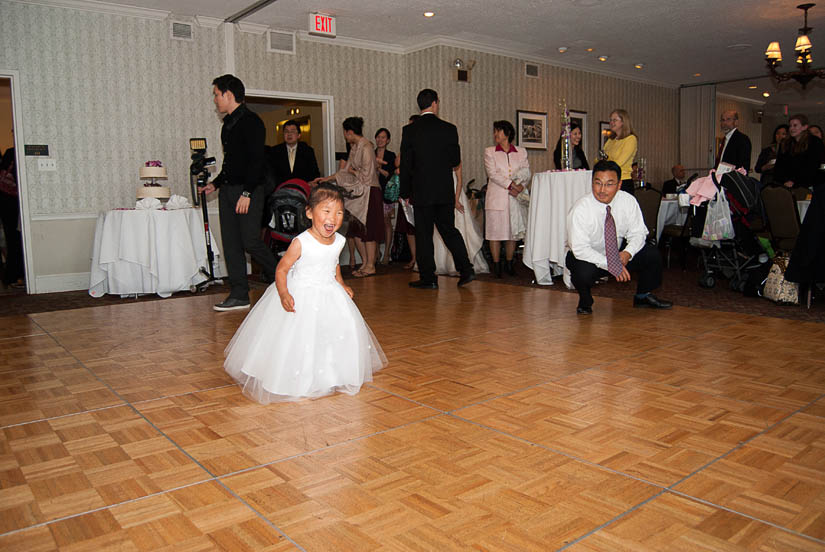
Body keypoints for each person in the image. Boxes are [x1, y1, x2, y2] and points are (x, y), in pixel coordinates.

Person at [224, 183, 387, 403]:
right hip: (301, 293)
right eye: (326, 211)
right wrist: (283, 293)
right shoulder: (301, 242)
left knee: (333, 333)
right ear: (310, 213)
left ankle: (330, 374)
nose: (333, 218)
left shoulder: (339, 240)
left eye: (339, 213)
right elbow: (281, 269)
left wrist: (341, 283)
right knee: (301, 336)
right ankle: (297, 376)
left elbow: (334, 264)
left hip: (329, 293)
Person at [198, 75, 276, 312]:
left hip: (248, 190)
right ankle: (239, 294)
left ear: (228, 95)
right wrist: (216, 183)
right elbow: (230, 164)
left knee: (250, 240)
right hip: (229, 191)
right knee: (231, 243)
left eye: (216, 94)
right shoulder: (227, 125)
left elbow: (256, 162)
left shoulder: (253, 122)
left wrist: (247, 193)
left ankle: (284, 274)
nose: (215, 99)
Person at [566, 160, 673, 315]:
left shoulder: (628, 201)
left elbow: (638, 233)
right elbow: (580, 249)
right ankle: (585, 300)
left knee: (651, 254)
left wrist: (627, 253)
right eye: (598, 183)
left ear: (619, 184)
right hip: (588, 257)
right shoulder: (581, 209)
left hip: (618, 252)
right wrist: (611, 264)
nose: (602, 190)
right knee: (582, 272)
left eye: (609, 184)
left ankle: (643, 296)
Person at [400, 89, 475, 289]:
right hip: (443, 190)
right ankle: (466, 269)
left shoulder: (410, 131)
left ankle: (428, 278)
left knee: (424, 235)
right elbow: (455, 161)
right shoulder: (449, 128)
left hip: (422, 191)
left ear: (420, 105)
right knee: (449, 231)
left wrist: (405, 193)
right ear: (435, 103)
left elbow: (406, 165)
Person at [316, 117, 382, 277]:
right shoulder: (355, 147)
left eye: (345, 133)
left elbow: (366, 175)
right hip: (359, 194)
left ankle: (370, 265)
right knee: (357, 230)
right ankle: (365, 263)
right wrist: (327, 179)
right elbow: (345, 170)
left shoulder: (366, 146)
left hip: (370, 191)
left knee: (369, 231)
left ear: (350, 132)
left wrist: (352, 171)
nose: (345, 136)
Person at [484, 120, 529, 277]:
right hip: (496, 198)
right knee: (495, 233)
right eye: (494, 131)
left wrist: (521, 186)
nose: (495, 134)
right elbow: (493, 174)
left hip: (514, 199)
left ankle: (509, 264)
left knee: (512, 232)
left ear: (508, 133)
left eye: (499, 131)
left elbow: (525, 171)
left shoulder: (521, 152)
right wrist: (512, 185)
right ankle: (496, 266)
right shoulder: (490, 152)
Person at [773, 114, 825, 199]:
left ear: (804, 127)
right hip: (786, 186)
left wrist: (795, 182)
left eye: (795, 125)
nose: (791, 128)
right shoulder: (786, 143)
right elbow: (779, 166)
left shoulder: (814, 142)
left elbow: (812, 166)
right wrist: (783, 181)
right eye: (790, 126)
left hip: (808, 185)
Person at [395, 115, 419, 270]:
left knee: (421, 228)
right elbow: (397, 162)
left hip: (419, 192)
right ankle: (414, 257)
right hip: (407, 192)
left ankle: (422, 259)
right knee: (409, 229)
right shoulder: (407, 147)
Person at [267, 119, 320, 186]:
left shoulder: (307, 151)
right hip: (281, 190)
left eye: (292, 131)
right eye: (286, 131)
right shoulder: (274, 151)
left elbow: (314, 173)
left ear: (299, 135)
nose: (289, 134)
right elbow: (271, 174)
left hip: (302, 189)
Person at [0, 146, 24, 289]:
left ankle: (11, 276)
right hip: (12, 203)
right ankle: (14, 276)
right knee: (15, 240)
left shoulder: (10, 152)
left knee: (11, 240)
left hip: (5, 202)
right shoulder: (15, 152)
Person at [374, 128, 397, 264]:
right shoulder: (371, 153)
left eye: (383, 137)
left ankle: (387, 253)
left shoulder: (391, 155)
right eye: (378, 137)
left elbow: (389, 174)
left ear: (388, 140)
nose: (380, 140)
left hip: (386, 193)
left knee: (386, 222)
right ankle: (376, 252)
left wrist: (377, 168)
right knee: (375, 223)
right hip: (373, 191)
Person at [603, 109, 638, 195]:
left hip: (623, 181)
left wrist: (605, 163)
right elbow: (602, 157)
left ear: (623, 122)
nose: (611, 122)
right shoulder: (610, 140)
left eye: (614, 120)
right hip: (609, 180)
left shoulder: (631, 139)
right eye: (610, 120)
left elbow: (619, 162)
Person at [755, 124, 789, 188]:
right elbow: (757, 168)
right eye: (778, 133)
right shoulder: (767, 150)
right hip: (768, 181)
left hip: (784, 182)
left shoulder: (791, 150)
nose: (780, 136)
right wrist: (767, 166)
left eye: (783, 134)